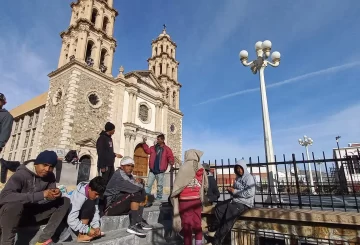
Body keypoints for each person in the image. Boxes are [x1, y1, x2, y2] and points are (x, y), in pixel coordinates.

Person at [0, 150, 70, 245]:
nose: (47, 169)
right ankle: (7, 242)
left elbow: (49, 194)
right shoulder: (21, 175)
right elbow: (4, 197)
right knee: (15, 206)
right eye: (44, 165)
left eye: (51, 167)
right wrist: (41, 194)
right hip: (12, 215)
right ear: (36, 164)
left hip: (32, 214)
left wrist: (55, 194)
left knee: (65, 201)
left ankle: (43, 239)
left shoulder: (50, 176)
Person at [206, 159, 255, 245]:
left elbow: (250, 192)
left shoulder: (249, 178)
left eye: (240, 168)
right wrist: (230, 190)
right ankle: (215, 226)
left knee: (228, 218)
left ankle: (217, 239)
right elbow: (235, 190)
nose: (238, 170)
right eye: (237, 169)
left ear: (244, 168)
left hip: (244, 203)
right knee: (218, 207)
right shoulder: (237, 178)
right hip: (235, 200)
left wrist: (235, 191)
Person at [103, 157, 153, 236]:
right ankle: (133, 225)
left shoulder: (128, 175)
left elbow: (138, 186)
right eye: (128, 165)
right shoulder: (120, 175)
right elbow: (136, 187)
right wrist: (142, 182)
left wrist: (141, 182)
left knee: (139, 192)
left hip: (119, 203)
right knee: (135, 194)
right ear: (122, 166)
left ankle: (138, 221)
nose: (130, 168)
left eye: (132, 166)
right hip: (109, 208)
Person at [170, 149, 208, 245]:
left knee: (187, 226)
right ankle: (198, 243)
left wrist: (174, 195)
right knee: (197, 223)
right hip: (196, 200)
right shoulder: (201, 167)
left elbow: (178, 184)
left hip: (185, 201)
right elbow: (206, 185)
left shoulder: (184, 167)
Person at [67, 176, 107, 242]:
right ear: (89, 188)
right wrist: (87, 230)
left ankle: (86, 232)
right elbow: (71, 220)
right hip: (72, 217)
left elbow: (95, 211)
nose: (97, 197)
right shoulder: (78, 196)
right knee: (90, 202)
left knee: (91, 203)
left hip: (83, 219)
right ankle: (81, 236)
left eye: (99, 195)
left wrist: (96, 227)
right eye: (96, 194)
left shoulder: (94, 194)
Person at [142, 134, 174, 201]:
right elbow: (147, 151)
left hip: (160, 171)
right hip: (152, 170)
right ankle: (146, 198)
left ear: (162, 140)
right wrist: (144, 143)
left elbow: (170, 156)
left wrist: (171, 161)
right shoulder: (153, 148)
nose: (157, 140)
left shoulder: (167, 149)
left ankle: (159, 198)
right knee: (148, 185)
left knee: (160, 186)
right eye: (157, 139)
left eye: (159, 139)